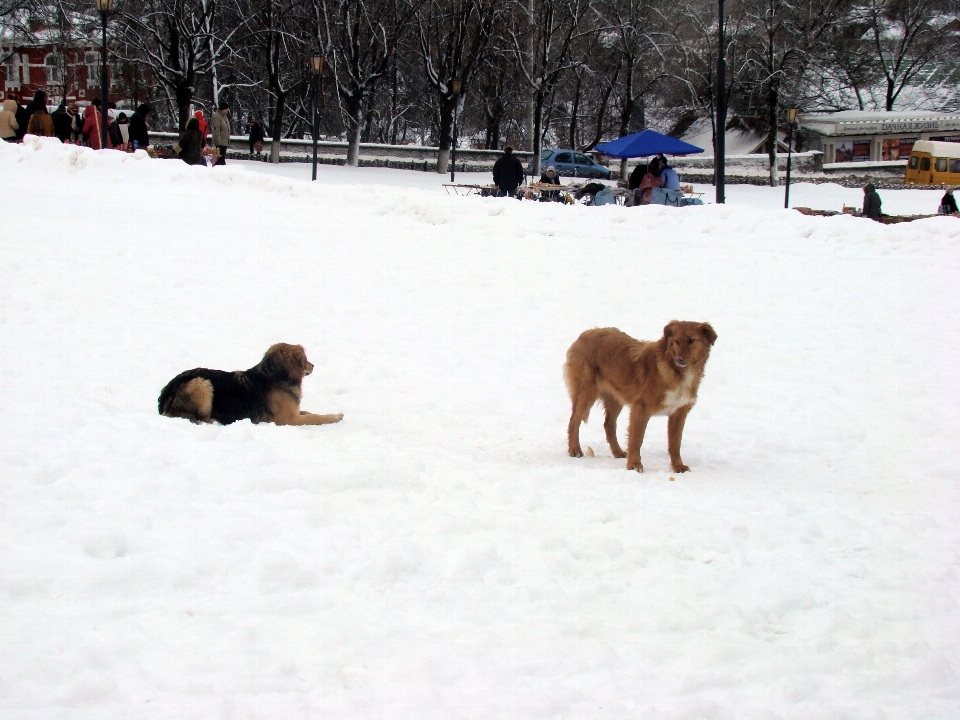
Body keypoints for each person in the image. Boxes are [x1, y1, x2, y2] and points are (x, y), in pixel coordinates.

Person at [210, 100, 231, 165]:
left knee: (222, 159)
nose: (227, 110)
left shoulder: (224, 116)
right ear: (223, 109)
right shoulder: (217, 117)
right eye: (226, 109)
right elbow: (216, 131)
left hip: (224, 142)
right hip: (220, 142)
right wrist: (218, 143)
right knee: (219, 160)